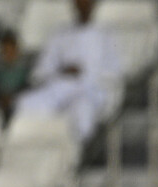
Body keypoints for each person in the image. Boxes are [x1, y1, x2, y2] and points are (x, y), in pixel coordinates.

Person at [15, 0, 122, 141]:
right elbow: (42, 69)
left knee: (81, 111)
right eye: (80, 2)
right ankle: (34, 146)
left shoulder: (105, 34)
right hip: (60, 87)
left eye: (87, 2)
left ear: (93, 4)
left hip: (89, 90)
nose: (83, 5)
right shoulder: (60, 33)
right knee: (25, 103)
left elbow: (114, 71)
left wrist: (86, 74)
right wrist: (62, 71)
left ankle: (73, 151)